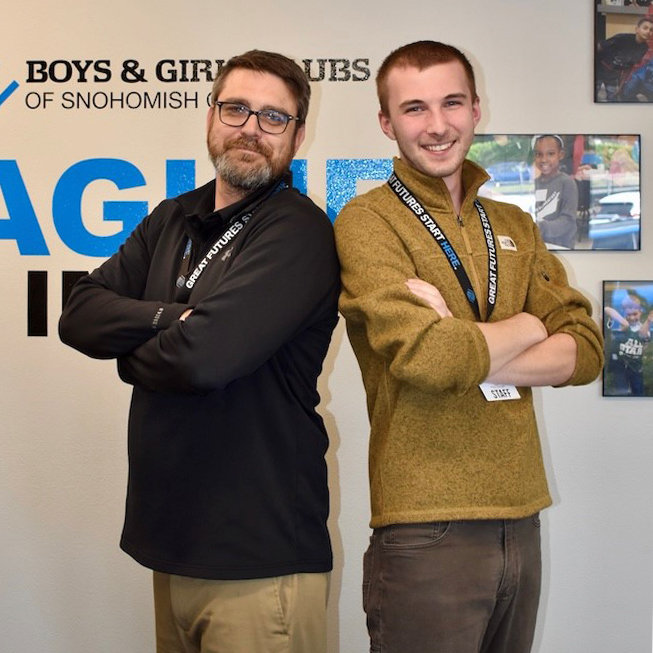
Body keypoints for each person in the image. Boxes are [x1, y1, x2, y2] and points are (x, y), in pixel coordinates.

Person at [59, 49, 340, 653]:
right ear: (210, 114)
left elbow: (201, 359)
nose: (250, 129)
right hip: (173, 544)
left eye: (274, 117)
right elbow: (80, 313)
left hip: (258, 559)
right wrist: (172, 318)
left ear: (298, 133)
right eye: (236, 108)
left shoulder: (298, 231)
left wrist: (134, 350)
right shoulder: (172, 217)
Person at [334, 40, 604, 653]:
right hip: (425, 528)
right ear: (386, 123)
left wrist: (466, 339)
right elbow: (428, 358)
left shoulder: (513, 224)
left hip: (522, 519)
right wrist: (531, 326)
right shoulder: (367, 222)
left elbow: (584, 349)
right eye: (414, 109)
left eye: (452, 103)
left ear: (476, 109)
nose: (437, 126)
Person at [532, 134, 578, 249]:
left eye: (550, 154)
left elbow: (568, 222)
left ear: (560, 155)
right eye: (539, 154)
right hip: (537, 248)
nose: (544, 159)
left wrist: (539, 227)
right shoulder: (533, 184)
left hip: (561, 249)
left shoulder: (567, 183)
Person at [605, 294, 652, 396]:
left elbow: (643, 334)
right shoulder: (620, 325)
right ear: (624, 312)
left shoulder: (643, 328)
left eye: (635, 314)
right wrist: (623, 322)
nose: (631, 317)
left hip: (636, 368)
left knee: (638, 391)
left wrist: (648, 322)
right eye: (628, 314)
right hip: (620, 368)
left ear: (640, 312)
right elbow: (607, 309)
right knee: (621, 391)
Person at [595, 17, 653, 101]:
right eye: (645, 28)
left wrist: (621, 86)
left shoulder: (644, 48)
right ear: (637, 29)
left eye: (651, 30)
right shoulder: (622, 38)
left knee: (613, 98)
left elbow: (629, 66)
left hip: (614, 76)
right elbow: (599, 47)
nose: (648, 32)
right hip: (599, 70)